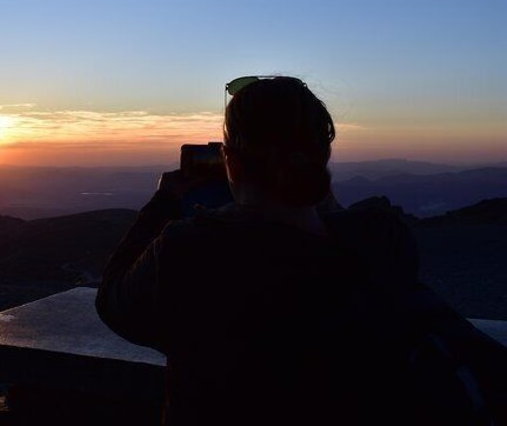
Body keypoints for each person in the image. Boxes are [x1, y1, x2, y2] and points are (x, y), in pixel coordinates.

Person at [96, 76, 505, 425]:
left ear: (231, 163)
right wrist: (316, 201)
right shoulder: (381, 244)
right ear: (321, 157)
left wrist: (163, 203)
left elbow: (114, 304)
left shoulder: (191, 251)